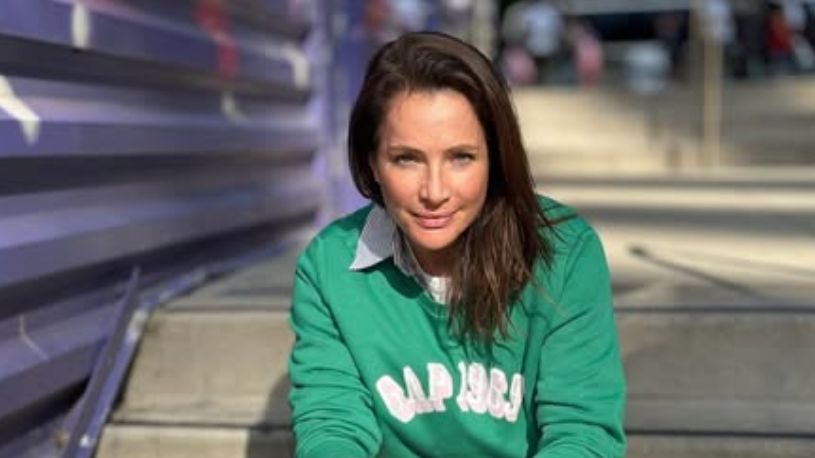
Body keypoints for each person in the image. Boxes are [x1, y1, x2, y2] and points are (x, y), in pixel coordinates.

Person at [287, 31, 626, 457]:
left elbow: (582, 434)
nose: (434, 191)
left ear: (495, 158)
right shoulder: (330, 266)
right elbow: (331, 426)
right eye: (406, 159)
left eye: (460, 157)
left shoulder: (563, 253)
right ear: (372, 162)